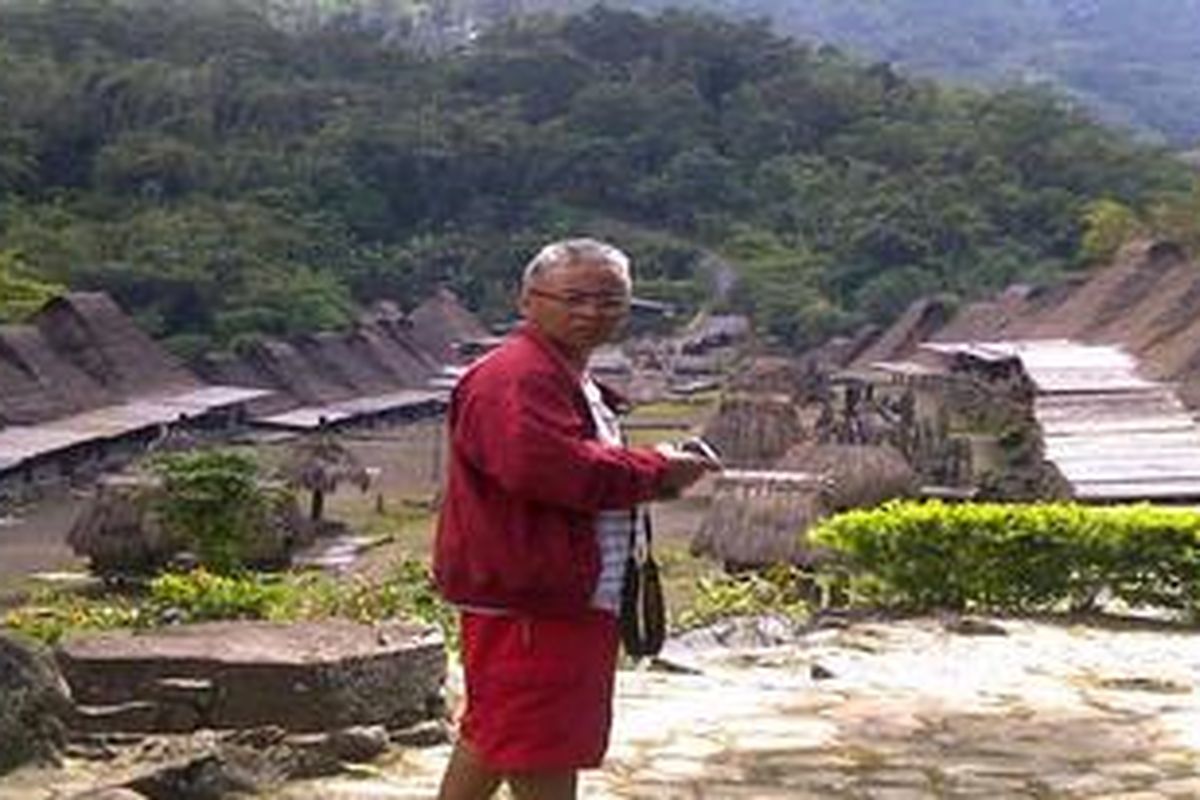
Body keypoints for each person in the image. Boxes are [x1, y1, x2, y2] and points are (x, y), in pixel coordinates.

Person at [434, 238, 719, 800]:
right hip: (535, 598)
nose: (592, 312)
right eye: (574, 298)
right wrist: (657, 471)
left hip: (552, 592)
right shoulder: (517, 377)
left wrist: (651, 470)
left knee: (500, 731)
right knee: (542, 744)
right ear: (528, 301)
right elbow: (550, 468)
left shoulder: (561, 373)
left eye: (611, 301)